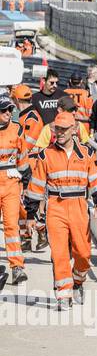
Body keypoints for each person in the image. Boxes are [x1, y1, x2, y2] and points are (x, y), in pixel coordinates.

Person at [24, 112, 97, 307]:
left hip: (79, 206)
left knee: (83, 254)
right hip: (56, 207)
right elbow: (36, 186)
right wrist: (30, 215)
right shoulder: (46, 154)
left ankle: (77, 282)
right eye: (57, 129)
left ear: (74, 129)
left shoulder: (87, 153)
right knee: (60, 253)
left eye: (63, 129)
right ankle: (64, 293)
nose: (59, 133)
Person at [0, 97, 29, 282]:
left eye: (10, 109)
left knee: (11, 225)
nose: (9, 113)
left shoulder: (17, 128)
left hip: (11, 182)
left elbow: (23, 156)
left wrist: (24, 182)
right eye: (4, 110)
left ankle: (17, 267)